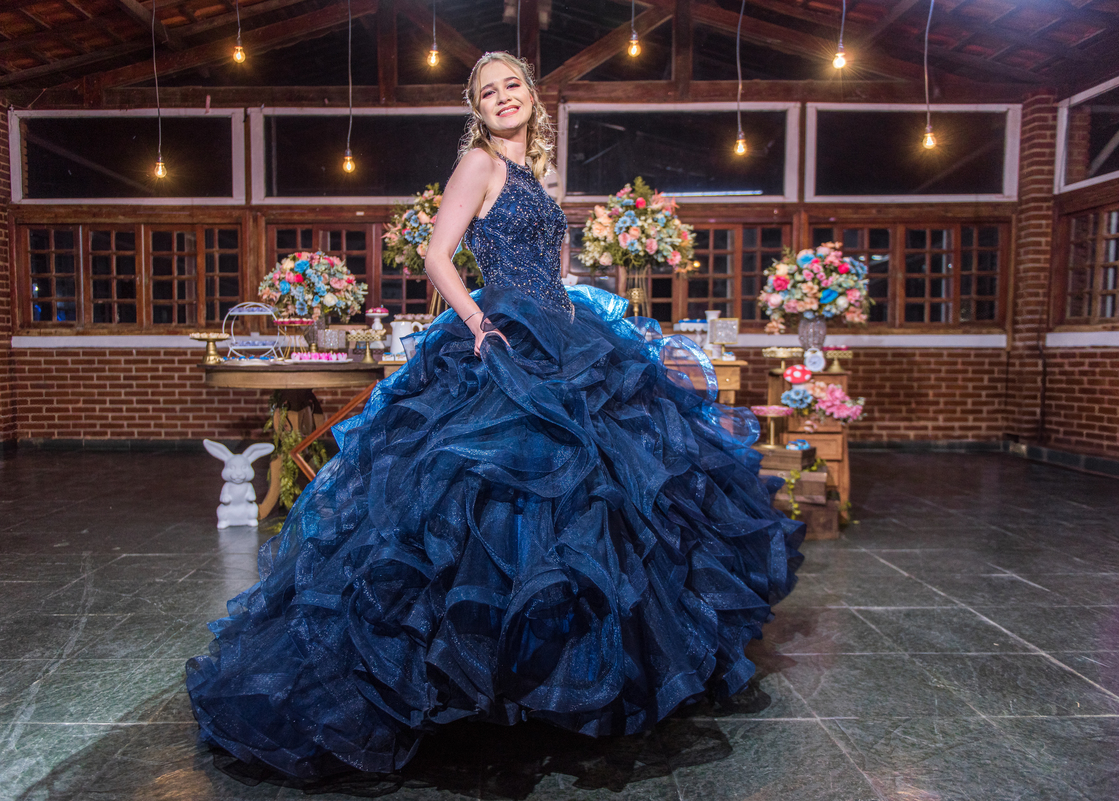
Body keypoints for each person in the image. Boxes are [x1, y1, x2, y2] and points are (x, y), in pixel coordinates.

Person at [186, 51, 804, 781]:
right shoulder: (478, 165)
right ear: (475, 108)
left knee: (589, 504)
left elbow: (556, 271)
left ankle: (562, 672)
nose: (503, 97)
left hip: (561, 336)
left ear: (532, 99)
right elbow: (436, 254)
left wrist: (593, 328)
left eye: (513, 86)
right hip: (501, 335)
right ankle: (474, 677)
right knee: (488, 500)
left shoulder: (541, 177)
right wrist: (478, 322)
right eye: (489, 91)